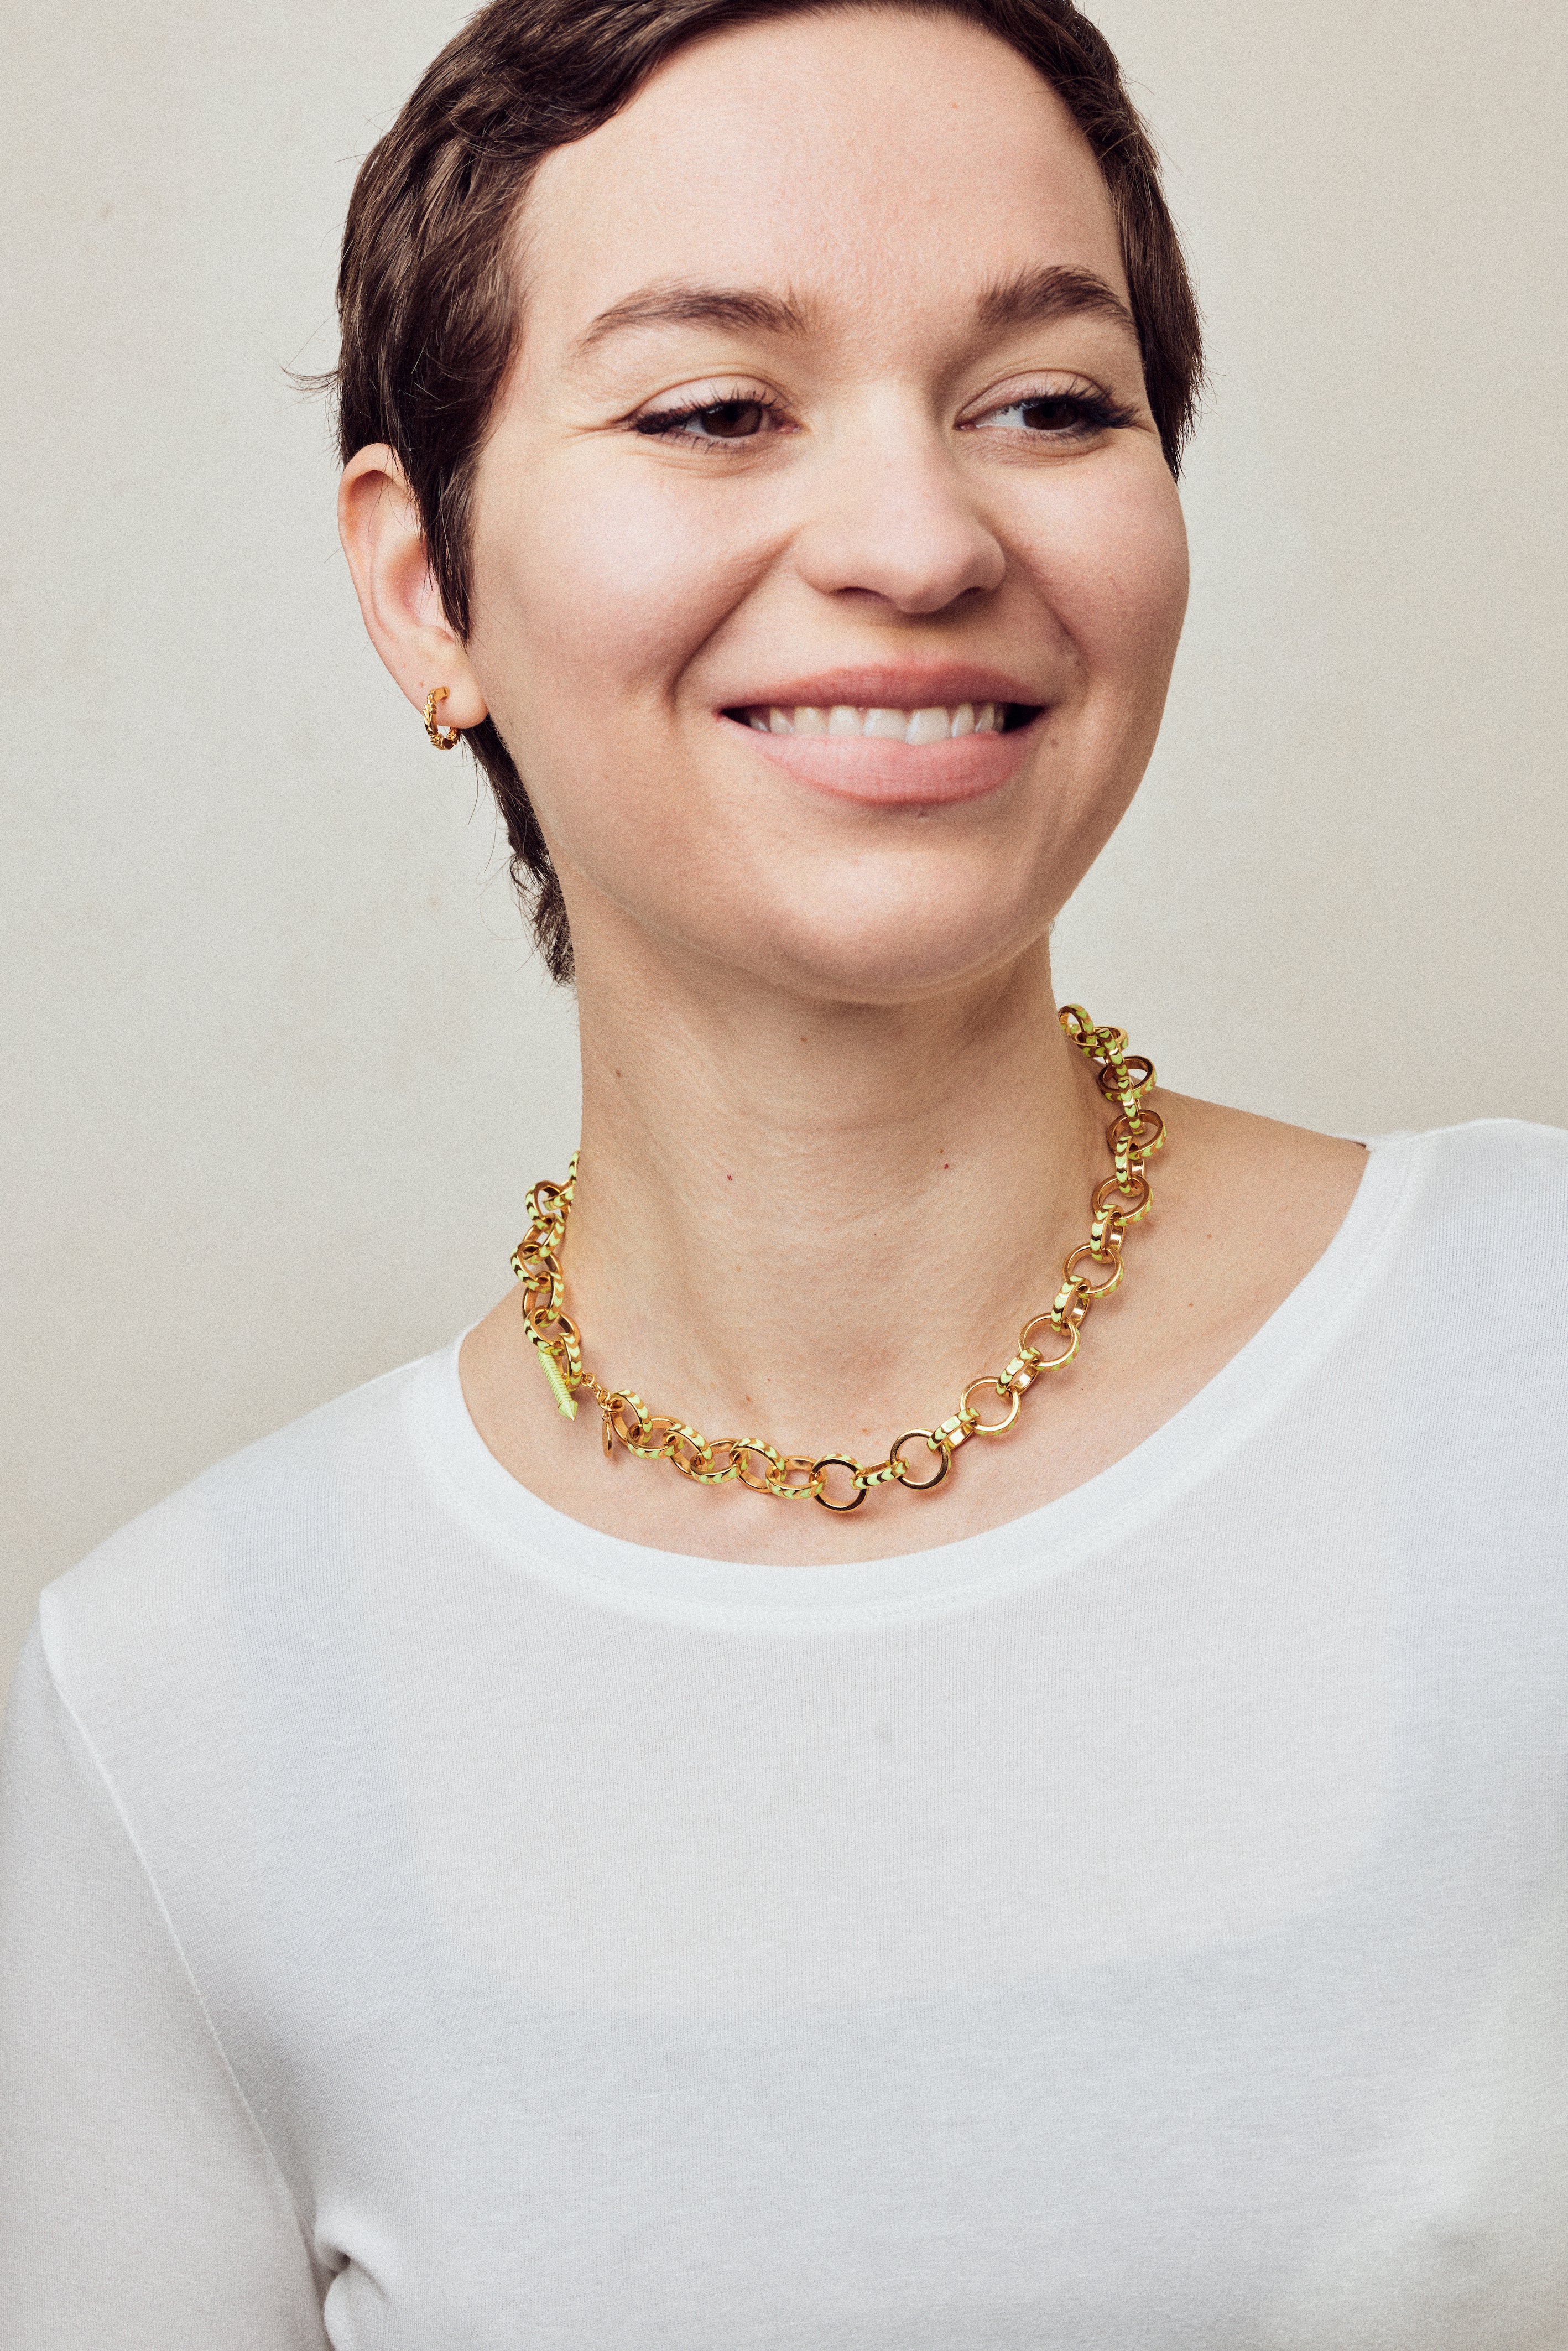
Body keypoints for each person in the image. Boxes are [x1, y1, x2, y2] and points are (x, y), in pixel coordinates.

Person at [2, 0, 1564, 2342]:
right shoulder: (174, 1706)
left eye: (1048, 402)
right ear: (424, 587)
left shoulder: (1533, 1361)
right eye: (716, 409)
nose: (920, 540)